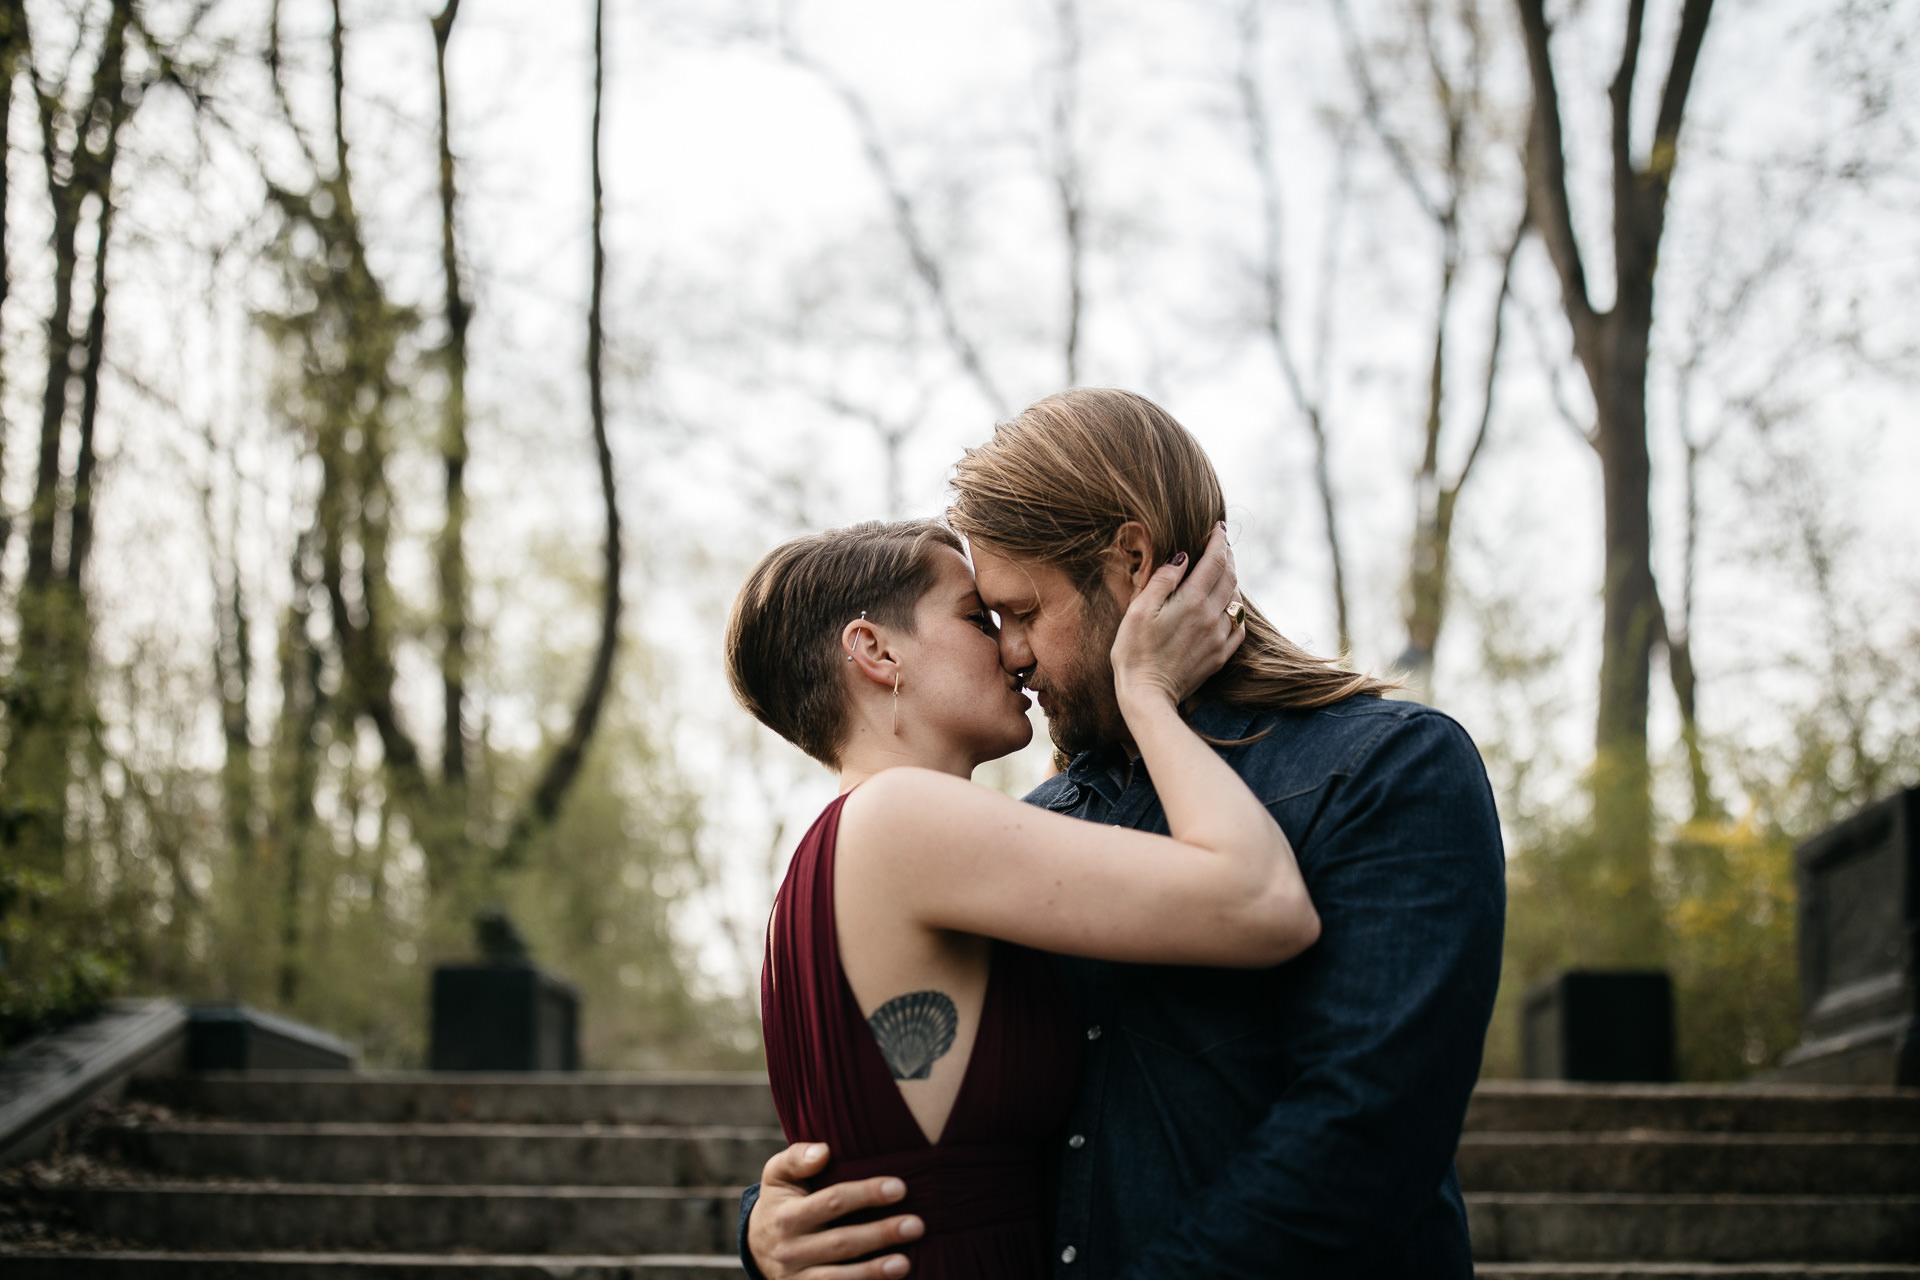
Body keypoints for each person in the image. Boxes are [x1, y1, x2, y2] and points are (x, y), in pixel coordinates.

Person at [741, 388, 1506, 1279]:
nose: (1012, 653)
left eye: (1022, 612)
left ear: (1131, 561)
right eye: (986, 621)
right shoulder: (1039, 822)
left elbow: (1367, 1129)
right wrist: (775, 1220)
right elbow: (954, 1110)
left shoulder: (1387, 769)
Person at [726, 514, 1323, 1278]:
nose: (1013, 651)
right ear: (874, 650)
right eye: (979, 620)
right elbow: (1264, 902)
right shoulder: (903, 818)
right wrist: (1146, 691)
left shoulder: (824, 865)